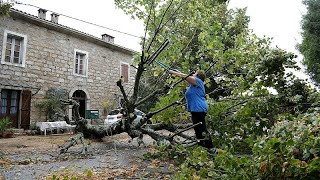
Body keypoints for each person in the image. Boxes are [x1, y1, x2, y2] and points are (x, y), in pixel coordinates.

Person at [169, 69, 216, 153]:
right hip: (196, 109)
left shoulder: (198, 81)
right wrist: (177, 72)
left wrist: (176, 73)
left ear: (198, 75)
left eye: (195, 73)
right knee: (198, 129)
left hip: (199, 108)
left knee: (202, 129)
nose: (193, 74)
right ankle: (201, 148)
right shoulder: (193, 85)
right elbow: (185, 78)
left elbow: (185, 76)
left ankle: (211, 148)